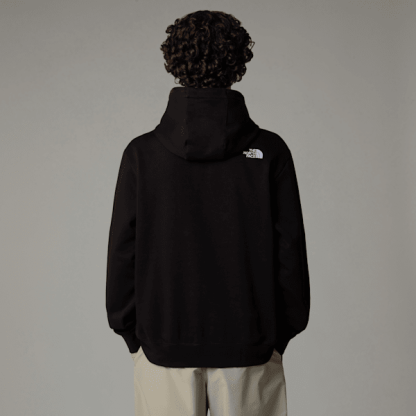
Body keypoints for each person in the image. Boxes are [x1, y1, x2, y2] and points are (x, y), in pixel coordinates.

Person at [106, 9, 310, 416]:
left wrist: (132, 336)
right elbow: (290, 254)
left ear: (174, 61)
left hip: (163, 350)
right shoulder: (270, 152)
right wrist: (276, 337)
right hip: (250, 349)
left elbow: (122, 255)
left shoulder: (142, 155)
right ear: (238, 63)